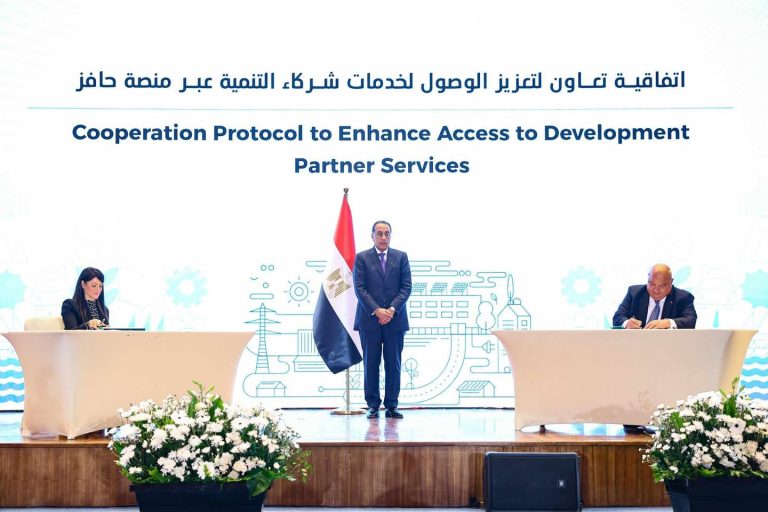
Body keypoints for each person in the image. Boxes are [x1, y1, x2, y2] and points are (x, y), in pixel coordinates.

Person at [354, 221, 412, 419]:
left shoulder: (401, 257)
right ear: (372, 236)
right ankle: (372, 405)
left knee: (393, 364)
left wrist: (391, 310)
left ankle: (392, 406)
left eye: (387, 233)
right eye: (379, 233)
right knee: (371, 364)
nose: (383, 237)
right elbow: (359, 288)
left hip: (395, 320)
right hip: (369, 319)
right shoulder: (362, 258)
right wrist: (377, 310)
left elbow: (406, 287)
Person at [613, 263, 697, 329]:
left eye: (661, 286)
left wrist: (668, 322)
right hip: (636, 342)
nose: (656, 290)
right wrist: (627, 323)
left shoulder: (683, 297)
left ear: (671, 282)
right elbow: (618, 317)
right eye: (651, 284)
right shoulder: (634, 293)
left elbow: (691, 320)